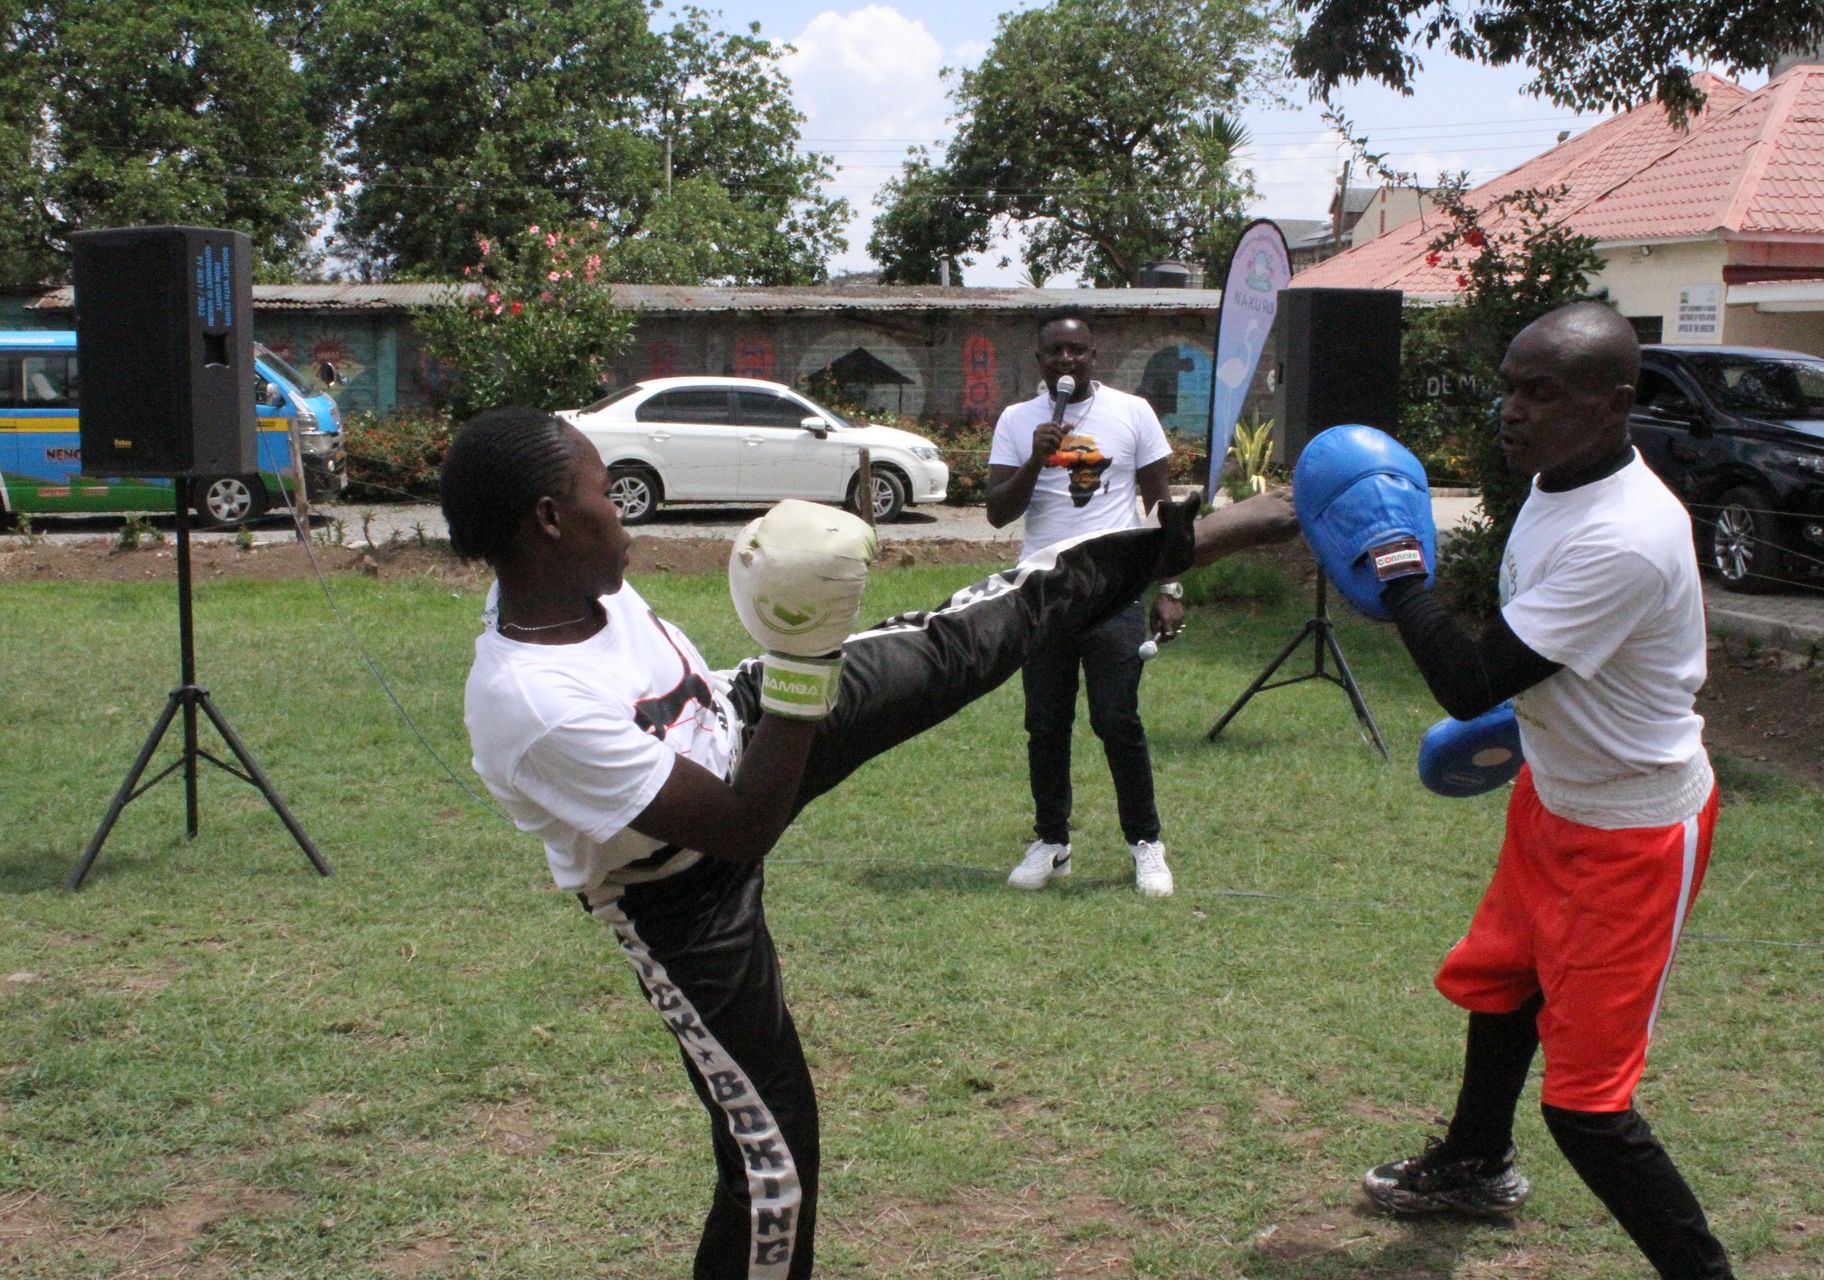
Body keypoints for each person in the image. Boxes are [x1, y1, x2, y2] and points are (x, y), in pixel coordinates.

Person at [439, 405, 1296, 1280]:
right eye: (600, 490)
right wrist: (805, 656)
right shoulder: (531, 704)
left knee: (973, 631)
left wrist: (790, 671)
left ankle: (1199, 540)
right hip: (684, 895)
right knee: (774, 1164)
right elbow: (742, 827)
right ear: (548, 520)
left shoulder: (574, 581)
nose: (620, 509)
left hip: (742, 719)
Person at [1351, 302, 1732, 1279]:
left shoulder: (1629, 534)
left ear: (1614, 404)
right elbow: (1541, 669)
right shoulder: (1557, 479)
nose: (1511, 411)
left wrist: (1397, 568)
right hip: (1554, 799)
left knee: (1589, 1108)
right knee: (1502, 980)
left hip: (1633, 835)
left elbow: (1473, 678)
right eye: (1509, 387)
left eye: (1540, 393)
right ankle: (1477, 1159)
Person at [987, 305, 1187, 896]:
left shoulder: (1132, 413)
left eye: (1076, 350)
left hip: (1110, 590)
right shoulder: (1020, 420)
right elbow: (999, 512)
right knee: (1045, 723)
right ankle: (1052, 840)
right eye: (1055, 352)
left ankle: (1146, 843)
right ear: (1041, 361)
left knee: (1116, 718)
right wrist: (1035, 457)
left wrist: (1169, 587)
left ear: (1093, 356)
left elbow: (1162, 507)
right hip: (1041, 594)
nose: (1066, 360)